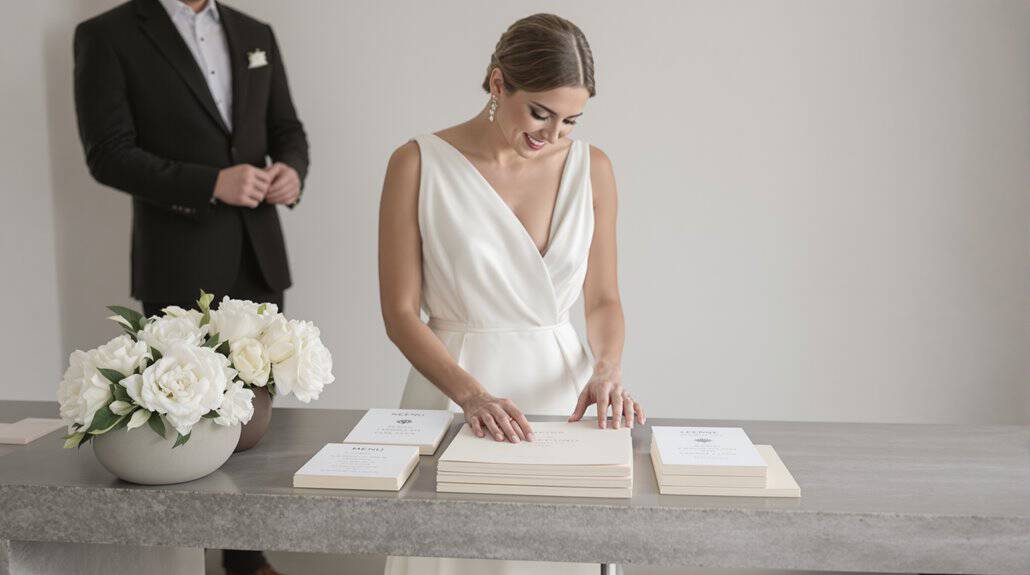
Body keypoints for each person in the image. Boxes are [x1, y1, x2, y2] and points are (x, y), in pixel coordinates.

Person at [378, 13, 644, 574]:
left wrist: (608, 370)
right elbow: (401, 315)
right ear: (499, 84)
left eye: (570, 121)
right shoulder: (416, 164)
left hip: (562, 398)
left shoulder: (593, 168)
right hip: (454, 390)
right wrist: (472, 396)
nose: (552, 137)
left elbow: (603, 299)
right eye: (540, 114)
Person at [73, 1, 308, 573]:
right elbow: (108, 154)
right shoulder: (106, 34)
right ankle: (182, 560)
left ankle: (245, 559)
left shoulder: (256, 32)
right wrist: (210, 184)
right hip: (178, 260)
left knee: (255, 427)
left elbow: (287, 130)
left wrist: (292, 171)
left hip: (258, 254)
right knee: (180, 421)